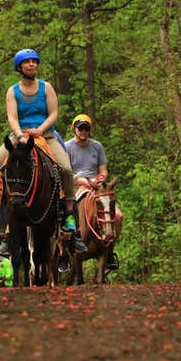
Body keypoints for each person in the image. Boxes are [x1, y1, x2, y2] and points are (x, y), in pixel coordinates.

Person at [0, 48, 86, 253]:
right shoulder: (12, 91)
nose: (31, 64)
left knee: (65, 169)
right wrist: (20, 135)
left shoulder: (46, 87)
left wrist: (40, 130)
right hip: (19, 136)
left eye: (34, 61)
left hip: (45, 135)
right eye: (27, 62)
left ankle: (68, 215)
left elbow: (54, 112)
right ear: (19, 67)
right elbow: (12, 117)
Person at [65, 113, 119, 270]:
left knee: (118, 215)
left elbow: (103, 169)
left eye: (86, 128)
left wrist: (101, 179)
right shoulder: (67, 147)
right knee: (65, 215)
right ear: (74, 129)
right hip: (75, 185)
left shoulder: (97, 146)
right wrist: (82, 181)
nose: (83, 131)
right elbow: (66, 172)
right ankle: (64, 253)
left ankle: (109, 251)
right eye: (80, 128)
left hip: (97, 185)